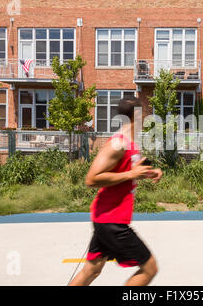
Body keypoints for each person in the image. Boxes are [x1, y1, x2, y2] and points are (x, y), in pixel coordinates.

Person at [69, 96, 162, 286]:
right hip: (112, 220)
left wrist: (148, 172)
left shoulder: (130, 143)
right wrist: (132, 173)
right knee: (150, 268)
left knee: (91, 271)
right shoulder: (117, 144)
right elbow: (92, 178)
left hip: (107, 217)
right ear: (136, 116)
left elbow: (128, 170)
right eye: (143, 115)